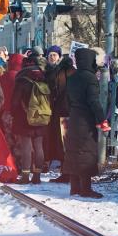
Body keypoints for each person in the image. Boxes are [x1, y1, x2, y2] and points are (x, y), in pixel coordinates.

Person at [64, 48, 110, 199]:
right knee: (86, 152)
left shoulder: (72, 77)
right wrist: (102, 119)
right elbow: (94, 101)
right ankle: (86, 189)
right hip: (86, 119)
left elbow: (67, 100)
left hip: (74, 117)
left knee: (74, 152)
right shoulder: (90, 78)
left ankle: (74, 187)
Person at [11, 55, 49, 184]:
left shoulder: (22, 81)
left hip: (24, 118)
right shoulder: (44, 80)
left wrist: (14, 114)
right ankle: (37, 176)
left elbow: (15, 103)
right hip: (42, 116)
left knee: (26, 146)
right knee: (39, 146)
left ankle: (25, 175)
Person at [45, 50, 75, 183]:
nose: (52, 57)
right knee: (63, 142)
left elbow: (59, 90)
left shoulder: (63, 72)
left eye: (54, 55)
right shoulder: (62, 71)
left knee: (64, 142)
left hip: (64, 111)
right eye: (50, 55)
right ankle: (66, 172)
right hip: (63, 111)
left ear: (60, 57)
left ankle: (67, 173)